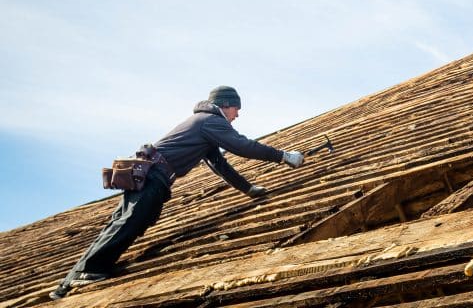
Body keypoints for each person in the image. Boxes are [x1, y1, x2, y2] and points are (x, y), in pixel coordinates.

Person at [50, 86, 306, 300]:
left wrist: (248, 189)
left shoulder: (203, 125)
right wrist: (283, 156)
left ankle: (69, 282)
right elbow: (242, 146)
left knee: (121, 224)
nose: (238, 115)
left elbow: (220, 165)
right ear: (226, 105)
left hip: (149, 175)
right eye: (237, 109)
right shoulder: (210, 121)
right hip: (153, 178)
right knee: (129, 223)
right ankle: (90, 271)